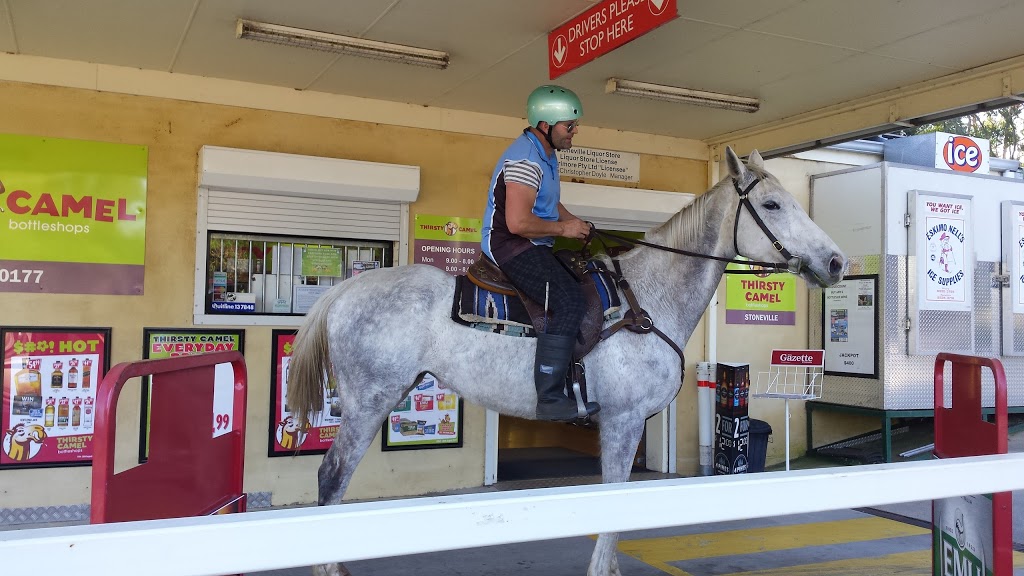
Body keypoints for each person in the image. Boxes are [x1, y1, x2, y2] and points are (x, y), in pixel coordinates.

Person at [480, 85, 600, 421]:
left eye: (574, 126)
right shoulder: (525, 159)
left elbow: (547, 202)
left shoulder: (544, 155)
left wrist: (571, 220)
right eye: (568, 126)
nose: (574, 133)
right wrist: (565, 230)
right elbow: (518, 222)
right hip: (509, 244)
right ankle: (549, 399)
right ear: (545, 125)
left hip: (534, 243)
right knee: (571, 301)